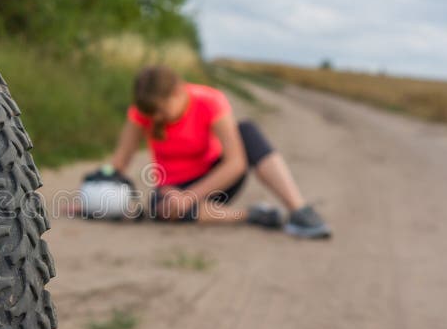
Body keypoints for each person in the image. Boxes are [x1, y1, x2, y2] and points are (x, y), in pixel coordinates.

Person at [104, 65, 331, 238]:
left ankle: (299, 211)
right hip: (172, 189)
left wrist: (190, 197)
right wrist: (94, 192)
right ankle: (253, 215)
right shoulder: (143, 112)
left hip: (217, 179)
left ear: (177, 92)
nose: (156, 119)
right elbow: (119, 162)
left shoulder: (209, 101)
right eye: (150, 114)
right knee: (162, 207)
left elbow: (236, 163)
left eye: (161, 111)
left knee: (247, 131)